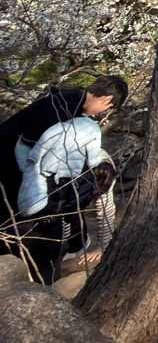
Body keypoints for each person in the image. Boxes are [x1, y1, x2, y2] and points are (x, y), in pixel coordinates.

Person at [0, 76, 127, 250]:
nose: (101, 114)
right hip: (9, 160)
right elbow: (30, 144)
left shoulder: (72, 102)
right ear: (106, 99)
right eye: (108, 108)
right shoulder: (63, 105)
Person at [13, 116, 115, 284]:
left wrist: (103, 246)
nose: (94, 197)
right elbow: (64, 208)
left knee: (79, 212)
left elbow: (106, 212)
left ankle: (78, 245)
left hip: (84, 183)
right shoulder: (71, 167)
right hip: (62, 183)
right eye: (93, 193)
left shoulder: (107, 173)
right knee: (66, 211)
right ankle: (66, 247)